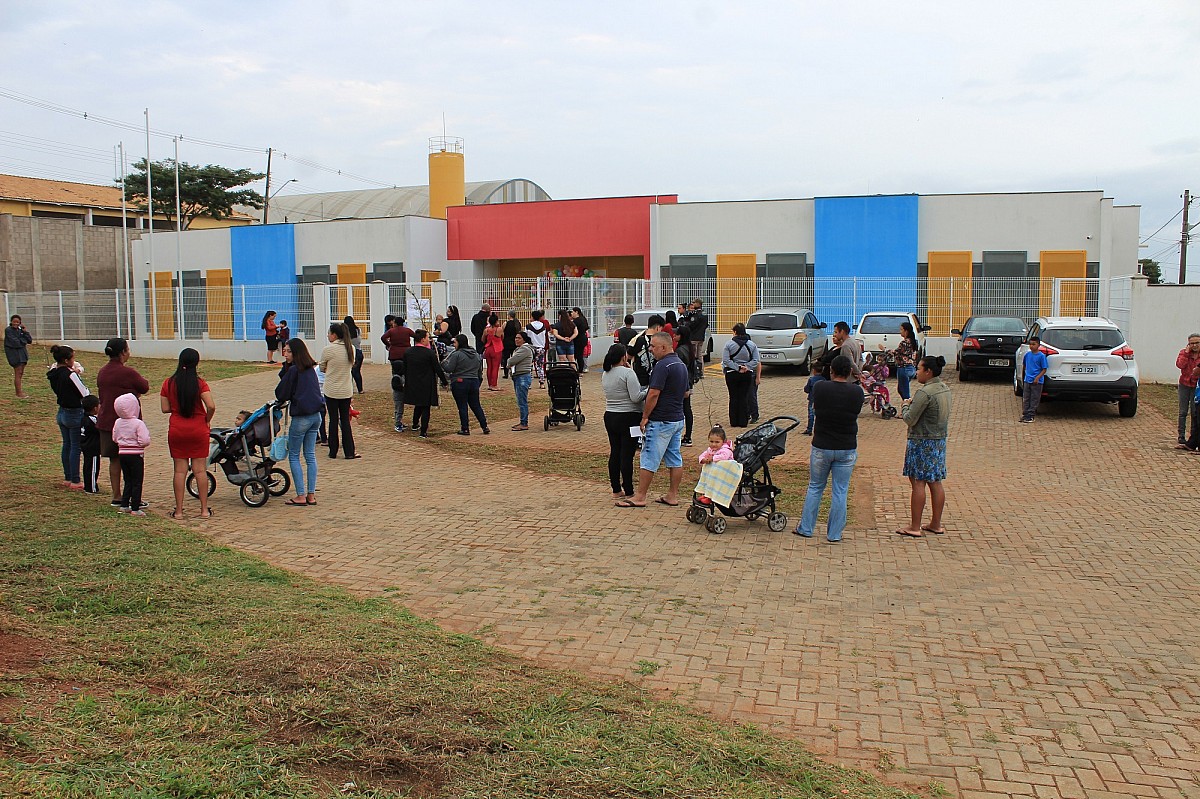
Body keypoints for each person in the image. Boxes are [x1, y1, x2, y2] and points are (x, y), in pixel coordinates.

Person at [795, 355, 863, 542]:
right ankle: (834, 534)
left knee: (815, 487)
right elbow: (856, 412)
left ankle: (806, 527)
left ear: (831, 371)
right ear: (850, 372)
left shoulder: (820, 387)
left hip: (822, 445)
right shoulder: (857, 392)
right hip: (846, 446)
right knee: (840, 490)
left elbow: (815, 408)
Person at [617, 332, 690, 508]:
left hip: (661, 420)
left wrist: (645, 416)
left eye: (653, 347)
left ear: (664, 347)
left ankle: (640, 496)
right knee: (674, 457)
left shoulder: (662, 366)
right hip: (677, 418)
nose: (650, 350)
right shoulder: (680, 364)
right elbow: (686, 392)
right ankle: (672, 495)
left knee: (649, 456)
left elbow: (653, 393)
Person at [896, 356, 952, 537]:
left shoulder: (925, 393)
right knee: (935, 481)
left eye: (919, 369)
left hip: (921, 441)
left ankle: (915, 526)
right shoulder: (944, 389)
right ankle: (936, 523)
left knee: (918, 482)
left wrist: (905, 405)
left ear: (928, 372)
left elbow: (910, 419)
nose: (917, 372)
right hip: (938, 441)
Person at [160, 348, 215, 520]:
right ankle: (204, 510)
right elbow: (211, 405)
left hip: (177, 429)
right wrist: (206, 419)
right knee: (200, 471)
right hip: (198, 428)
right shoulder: (200, 383)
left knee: (179, 471)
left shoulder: (168, 383)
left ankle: (179, 511)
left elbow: (165, 408)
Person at [97, 338, 150, 507]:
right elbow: (144, 386)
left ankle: (117, 495)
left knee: (114, 460)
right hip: (129, 425)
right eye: (127, 349)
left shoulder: (102, 372)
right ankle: (133, 497)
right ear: (122, 353)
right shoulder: (128, 373)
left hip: (107, 422)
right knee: (132, 463)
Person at [275, 338, 323, 507]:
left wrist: (286, 371)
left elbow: (281, 393)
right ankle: (311, 494)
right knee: (310, 455)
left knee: (294, 455)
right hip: (316, 416)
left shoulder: (295, 371)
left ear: (295, 353)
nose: (284, 354)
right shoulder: (309, 369)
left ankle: (300, 495)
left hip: (301, 417)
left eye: (288, 351)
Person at [602, 342, 647, 499]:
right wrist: (649, 390)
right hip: (629, 416)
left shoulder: (606, 373)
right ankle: (628, 489)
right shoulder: (628, 373)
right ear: (624, 356)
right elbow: (635, 397)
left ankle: (616, 489)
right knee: (627, 455)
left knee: (615, 452)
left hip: (610, 415)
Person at [47, 345, 89, 490]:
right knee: (75, 447)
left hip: (62, 412)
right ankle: (76, 480)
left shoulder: (53, 373)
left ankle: (68, 477)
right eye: (72, 358)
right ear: (66, 360)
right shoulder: (70, 374)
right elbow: (84, 392)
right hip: (74, 412)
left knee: (67, 445)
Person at [398, 330, 447, 439]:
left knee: (418, 404)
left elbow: (403, 368)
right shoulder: (429, 353)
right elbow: (437, 369)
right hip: (426, 383)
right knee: (426, 407)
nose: (429, 340)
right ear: (422, 339)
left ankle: (415, 424)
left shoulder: (408, 352)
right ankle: (423, 431)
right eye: (427, 337)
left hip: (413, 382)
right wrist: (444, 381)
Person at [321, 322, 359, 459]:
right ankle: (349, 451)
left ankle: (333, 451)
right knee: (345, 420)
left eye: (329, 333)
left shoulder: (328, 349)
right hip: (346, 390)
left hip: (331, 390)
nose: (327, 335)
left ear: (334, 335)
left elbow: (321, 367)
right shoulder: (351, 348)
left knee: (332, 420)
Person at [112, 392, 151, 516]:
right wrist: (140, 444)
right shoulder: (138, 423)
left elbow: (114, 437)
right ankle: (135, 507)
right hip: (136, 455)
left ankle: (124, 504)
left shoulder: (118, 422)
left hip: (122, 453)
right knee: (137, 481)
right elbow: (144, 440)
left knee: (127, 479)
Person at [443, 334, 490, 435]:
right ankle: (484, 426)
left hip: (460, 382)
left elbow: (449, 369)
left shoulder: (456, 354)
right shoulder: (476, 354)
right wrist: (478, 382)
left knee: (462, 406)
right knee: (476, 405)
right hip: (473, 381)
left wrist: (442, 363)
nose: (454, 345)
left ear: (459, 343)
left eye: (455, 342)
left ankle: (465, 428)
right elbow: (479, 371)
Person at [722, 323, 760, 427]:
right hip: (747, 374)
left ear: (735, 332)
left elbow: (726, 360)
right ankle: (743, 421)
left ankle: (734, 421)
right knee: (744, 397)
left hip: (731, 373)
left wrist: (737, 367)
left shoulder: (729, 344)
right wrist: (746, 366)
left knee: (733, 397)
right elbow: (756, 360)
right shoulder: (752, 345)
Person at [382, 316, 414, 432]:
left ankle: (396, 385)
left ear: (395, 323)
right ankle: (405, 383)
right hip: (406, 353)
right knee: (406, 372)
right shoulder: (407, 330)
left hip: (394, 353)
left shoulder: (391, 331)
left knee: (395, 372)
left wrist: (389, 344)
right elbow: (415, 336)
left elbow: (383, 337)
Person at [674, 313, 696, 445]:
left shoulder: (680, 351)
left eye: (676, 334)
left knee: (680, 410)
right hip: (688, 383)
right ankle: (688, 435)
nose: (674, 336)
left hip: (681, 384)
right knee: (687, 409)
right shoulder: (690, 348)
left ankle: (684, 436)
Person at [1175, 333, 1200, 446]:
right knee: (1183, 412)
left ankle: (1193, 438)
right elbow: (1180, 365)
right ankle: (1181, 435)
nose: (1194, 345)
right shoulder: (1184, 353)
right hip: (1184, 384)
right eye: (1192, 343)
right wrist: (1186, 353)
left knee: (1195, 413)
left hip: (1196, 386)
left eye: (1197, 343)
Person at [507, 330, 535, 430]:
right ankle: (523, 422)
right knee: (521, 401)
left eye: (519, 338)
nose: (516, 340)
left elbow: (511, 360)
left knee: (522, 401)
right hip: (518, 376)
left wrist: (508, 362)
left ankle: (524, 423)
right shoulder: (519, 349)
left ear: (524, 340)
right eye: (516, 338)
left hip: (522, 377)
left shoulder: (525, 349)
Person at [628, 314, 664, 387]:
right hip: (656, 380)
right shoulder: (661, 341)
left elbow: (628, 355)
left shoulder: (638, 339)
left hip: (640, 380)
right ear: (658, 327)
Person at [1019, 336, 1049, 423]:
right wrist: (1024, 375)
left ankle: (1031, 415)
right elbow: (1024, 366)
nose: (1031, 346)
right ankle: (1025, 414)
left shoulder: (1041, 356)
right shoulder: (1027, 355)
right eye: (1030, 344)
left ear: (1038, 345)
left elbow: (1044, 369)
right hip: (1027, 380)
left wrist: (1037, 377)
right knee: (1026, 397)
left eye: (1034, 344)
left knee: (1034, 398)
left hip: (1037, 381)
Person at [5, 314, 32, 399]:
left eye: (17, 322)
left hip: (22, 354)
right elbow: (15, 342)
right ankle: (18, 393)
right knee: (18, 372)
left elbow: (29, 340)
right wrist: (23, 341)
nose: (16, 323)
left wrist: (25, 331)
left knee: (21, 373)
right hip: (14, 354)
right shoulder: (8, 330)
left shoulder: (20, 330)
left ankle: (19, 391)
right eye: (14, 322)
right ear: (11, 322)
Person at [892, 321, 919, 401]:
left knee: (904, 392)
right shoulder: (913, 341)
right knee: (901, 389)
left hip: (903, 368)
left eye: (901, 329)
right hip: (911, 368)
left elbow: (896, 352)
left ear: (906, 331)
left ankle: (907, 408)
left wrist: (884, 349)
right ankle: (906, 406)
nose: (900, 331)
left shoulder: (904, 343)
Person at [80, 395, 102, 494]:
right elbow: (99, 429)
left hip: (85, 446)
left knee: (88, 466)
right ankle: (91, 488)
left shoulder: (83, 417)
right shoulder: (92, 420)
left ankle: (89, 485)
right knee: (93, 468)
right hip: (92, 447)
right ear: (95, 408)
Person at [525, 310, 550, 386]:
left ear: (532, 316)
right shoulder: (543, 326)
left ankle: (529, 383)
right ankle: (542, 383)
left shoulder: (528, 326)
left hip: (531, 348)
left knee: (529, 366)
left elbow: (526, 336)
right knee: (540, 366)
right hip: (541, 348)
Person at [343, 315, 364, 394]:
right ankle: (360, 389)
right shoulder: (358, 330)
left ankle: (349, 388)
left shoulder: (344, 333)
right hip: (358, 351)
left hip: (349, 352)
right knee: (357, 371)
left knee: (348, 371)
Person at [483, 313, 504, 390]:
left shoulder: (486, 330)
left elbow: (483, 339)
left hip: (488, 348)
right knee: (495, 367)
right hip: (496, 349)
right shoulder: (499, 329)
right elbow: (502, 337)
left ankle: (490, 384)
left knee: (489, 367)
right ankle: (494, 384)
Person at [688, 299, 709, 377]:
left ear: (698, 304)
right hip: (701, 337)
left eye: (694, 303)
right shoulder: (704, 314)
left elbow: (692, 325)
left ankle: (694, 372)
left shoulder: (696, 314)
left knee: (693, 355)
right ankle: (701, 372)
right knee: (700, 355)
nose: (693, 304)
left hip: (694, 337)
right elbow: (706, 325)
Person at [571, 307, 590, 373]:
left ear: (576, 312)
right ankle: (580, 369)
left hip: (578, 340)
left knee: (577, 355)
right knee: (580, 355)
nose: (571, 313)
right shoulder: (583, 318)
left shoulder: (577, 321)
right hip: (583, 338)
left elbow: (571, 328)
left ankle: (579, 370)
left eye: (572, 312)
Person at [502, 310, 520, 379]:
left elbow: (502, 333)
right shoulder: (517, 323)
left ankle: (506, 373)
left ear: (509, 315)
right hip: (514, 343)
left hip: (506, 343)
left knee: (506, 358)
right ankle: (514, 372)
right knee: (514, 358)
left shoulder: (505, 323)